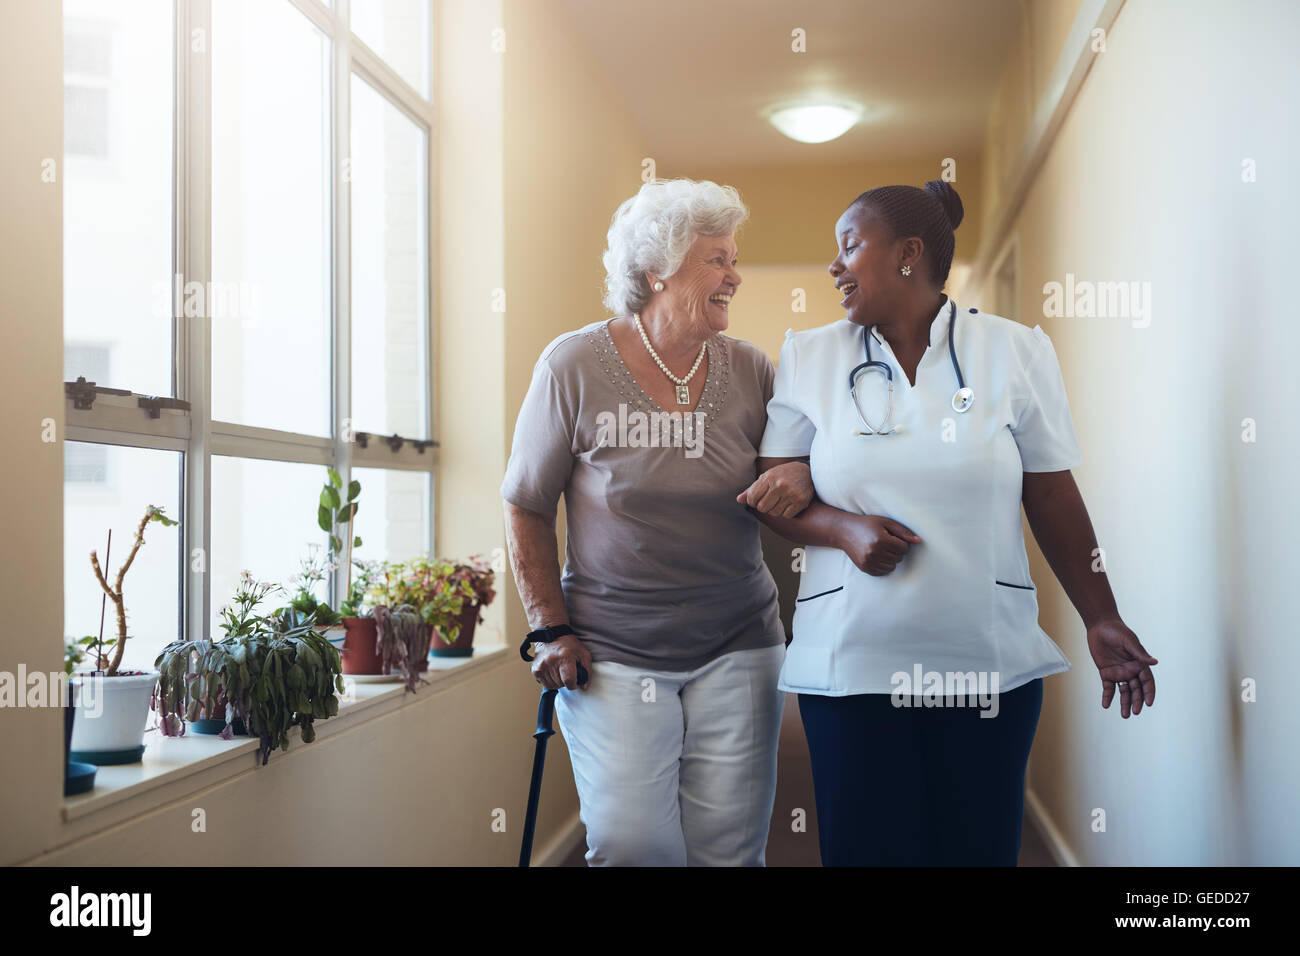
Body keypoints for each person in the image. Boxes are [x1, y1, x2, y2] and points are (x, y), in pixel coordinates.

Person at [741, 180, 1159, 866]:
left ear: (909, 254)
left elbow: (1051, 495)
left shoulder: (1017, 351)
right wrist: (843, 530)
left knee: (977, 851)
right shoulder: (809, 356)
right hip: (852, 667)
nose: (834, 266)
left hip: (985, 664)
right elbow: (776, 493)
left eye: (850, 246)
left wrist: (1101, 616)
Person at [501, 178, 812, 866]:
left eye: (734, 257)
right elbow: (526, 501)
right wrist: (549, 628)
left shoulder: (754, 371)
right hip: (613, 647)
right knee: (634, 844)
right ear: (656, 271)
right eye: (717, 259)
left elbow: (800, 471)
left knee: (730, 849)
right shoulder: (574, 365)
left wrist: (803, 473)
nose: (735, 275)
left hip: (740, 640)